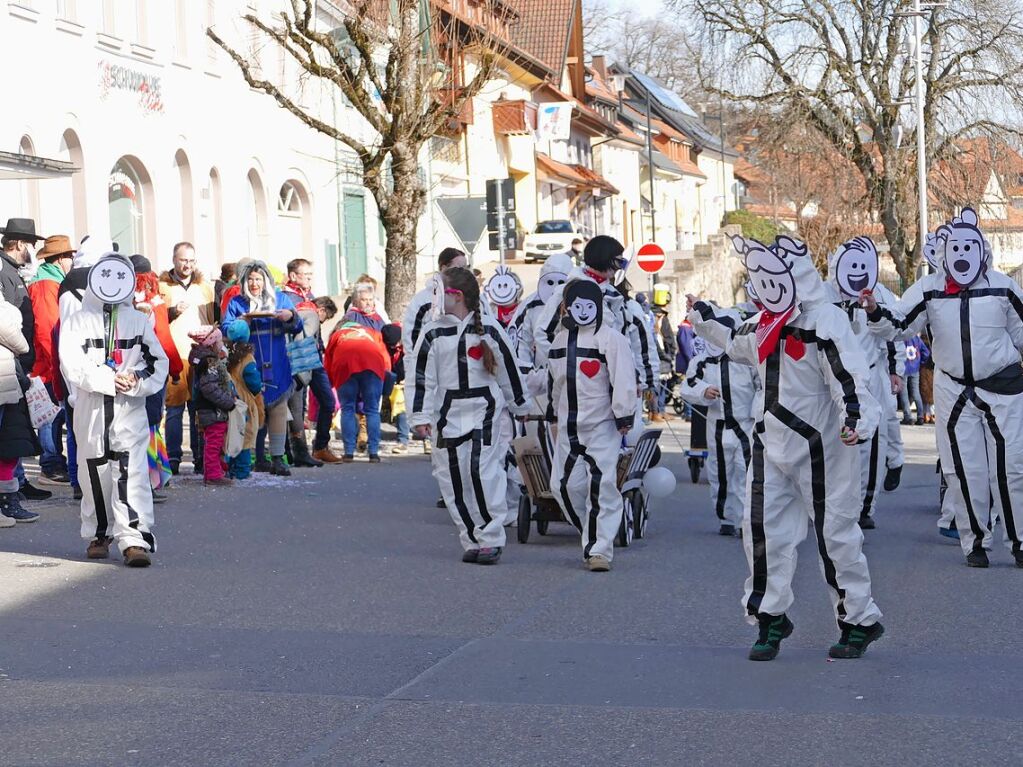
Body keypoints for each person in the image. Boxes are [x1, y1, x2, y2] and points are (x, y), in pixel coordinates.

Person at [689, 233, 884, 662]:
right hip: (770, 444)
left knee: (835, 534)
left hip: (824, 446)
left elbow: (850, 379)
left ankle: (858, 618)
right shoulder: (763, 324)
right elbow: (731, 336)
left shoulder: (824, 321)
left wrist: (856, 420)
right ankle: (769, 617)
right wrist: (701, 314)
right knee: (761, 530)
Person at [863, 207, 1023, 569]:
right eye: (957, 249)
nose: (963, 256)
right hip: (954, 390)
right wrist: (874, 310)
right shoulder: (930, 290)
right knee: (963, 469)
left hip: (1003, 387)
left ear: (982, 251)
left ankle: (1019, 540)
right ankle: (974, 541)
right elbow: (900, 324)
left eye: (970, 248)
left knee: (1012, 467)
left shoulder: (1003, 286)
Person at [410, 267, 526, 564]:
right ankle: (471, 536)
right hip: (447, 415)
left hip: (484, 412)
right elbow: (421, 377)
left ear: (456, 296)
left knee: (482, 473)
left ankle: (491, 537)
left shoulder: (489, 328)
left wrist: (520, 406)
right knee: (452, 479)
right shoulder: (433, 331)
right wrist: (419, 415)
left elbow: (508, 371)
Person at [60, 252, 169, 566]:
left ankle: (134, 538)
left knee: (130, 473)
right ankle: (99, 532)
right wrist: (109, 380)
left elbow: (156, 362)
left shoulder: (136, 320)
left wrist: (133, 380)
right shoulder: (77, 321)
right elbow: (72, 363)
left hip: (128, 409)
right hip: (92, 409)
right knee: (94, 471)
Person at [547, 280, 636, 571]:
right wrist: (552, 413)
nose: (583, 312)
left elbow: (623, 378)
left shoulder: (611, 339)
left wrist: (624, 415)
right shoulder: (560, 341)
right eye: (576, 306)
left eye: (589, 305)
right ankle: (593, 530)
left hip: (601, 425)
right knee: (562, 486)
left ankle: (599, 549)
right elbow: (556, 382)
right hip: (569, 425)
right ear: (567, 307)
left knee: (603, 486)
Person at [824, 236, 903, 530]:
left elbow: (892, 332)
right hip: (832, 380)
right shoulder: (823, 295)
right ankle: (831, 502)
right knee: (836, 441)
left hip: (870, 376)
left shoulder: (879, 294)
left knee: (871, 442)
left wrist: (895, 370)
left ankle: (864, 506)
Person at [221, 260, 302, 476]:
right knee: (251, 410)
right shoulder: (237, 302)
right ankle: (253, 456)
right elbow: (226, 329)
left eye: (258, 279)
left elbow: (298, 324)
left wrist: (290, 316)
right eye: (251, 279)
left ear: (266, 280)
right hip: (248, 361)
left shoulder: (281, 298)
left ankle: (277, 458)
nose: (255, 283)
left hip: (277, 360)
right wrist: (240, 323)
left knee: (278, 409)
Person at [679, 314, 758, 537]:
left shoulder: (745, 358)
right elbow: (688, 386)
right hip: (718, 424)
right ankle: (726, 517)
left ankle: (745, 520)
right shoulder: (701, 360)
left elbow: (761, 385)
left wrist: (756, 412)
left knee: (746, 471)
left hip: (744, 423)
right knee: (720, 472)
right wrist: (703, 391)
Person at [159, 242, 215, 474]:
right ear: (174, 259)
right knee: (174, 409)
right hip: (176, 354)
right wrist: (172, 312)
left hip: (200, 354)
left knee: (198, 408)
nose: (188, 265)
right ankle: (173, 457)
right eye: (183, 260)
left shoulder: (205, 287)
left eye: (191, 260)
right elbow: (157, 319)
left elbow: (213, 317)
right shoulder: (164, 287)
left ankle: (199, 456)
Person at [132, 255, 183, 503]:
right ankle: (148, 482)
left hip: (131, 372)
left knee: (138, 426)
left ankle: (146, 481)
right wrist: (175, 368)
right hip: (151, 372)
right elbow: (163, 339)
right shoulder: (154, 303)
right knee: (150, 424)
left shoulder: (123, 301)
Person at [28, 235, 76, 485]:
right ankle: (50, 464)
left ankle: (53, 461)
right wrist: (58, 361)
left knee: (54, 414)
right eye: (69, 256)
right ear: (59, 259)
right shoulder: (48, 284)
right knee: (51, 415)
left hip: (48, 360)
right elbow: (47, 327)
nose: (72, 260)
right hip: (47, 363)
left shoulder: (52, 280)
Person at [281, 259, 339, 465]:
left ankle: (321, 446)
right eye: (306, 275)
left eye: (311, 275)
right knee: (296, 406)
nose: (309, 278)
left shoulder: (310, 297)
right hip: (296, 356)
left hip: (313, 356)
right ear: (293, 276)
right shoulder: (286, 298)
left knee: (328, 401)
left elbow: (316, 328)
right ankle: (294, 451)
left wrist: (320, 347)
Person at [323, 306, 391, 462]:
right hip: (373, 366)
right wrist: (385, 376)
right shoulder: (372, 333)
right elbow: (385, 357)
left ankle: (348, 452)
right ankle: (373, 452)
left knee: (347, 408)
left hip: (345, 367)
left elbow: (328, 361)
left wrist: (330, 384)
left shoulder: (337, 335)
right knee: (372, 410)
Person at [0, 289, 41, 524]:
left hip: (7, 379)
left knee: (9, 444)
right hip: (4, 379)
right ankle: (6, 503)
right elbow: (17, 339)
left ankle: (8, 502)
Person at [188, 327, 236, 486]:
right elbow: (210, 388)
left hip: (211, 409)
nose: (221, 345)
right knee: (214, 443)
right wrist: (228, 402)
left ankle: (215, 471)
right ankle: (213, 476)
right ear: (212, 342)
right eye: (219, 341)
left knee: (214, 442)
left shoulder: (204, 359)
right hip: (213, 410)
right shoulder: (210, 362)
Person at [401, 248, 467, 356]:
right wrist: (416, 367)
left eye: (465, 267)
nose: (463, 272)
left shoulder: (474, 297)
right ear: (444, 268)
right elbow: (410, 338)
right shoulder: (423, 300)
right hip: (435, 367)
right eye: (459, 268)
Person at [225, 319, 264, 480]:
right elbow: (253, 381)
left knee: (232, 435)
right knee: (246, 437)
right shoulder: (247, 358)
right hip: (245, 402)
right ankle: (242, 470)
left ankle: (231, 468)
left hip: (230, 399)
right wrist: (258, 388)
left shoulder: (227, 354)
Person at [381, 323, 410, 454]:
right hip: (396, 381)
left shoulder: (410, 344)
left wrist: (409, 379)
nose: (396, 346)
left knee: (419, 409)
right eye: (392, 345)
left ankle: (427, 439)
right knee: (400, 408)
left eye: (397, 343)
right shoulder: (385, 346)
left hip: (413, 379)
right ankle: (402, 440)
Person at [900, 334, 930, 425]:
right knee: (916, 392)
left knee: (903, 393)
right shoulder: (916, 338)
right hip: (915, 367)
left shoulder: (901, 338)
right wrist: (921, 362)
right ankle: (920, 416)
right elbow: (926, 352)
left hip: (903, 368)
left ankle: (907, 417)